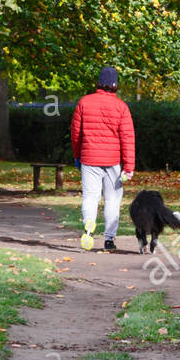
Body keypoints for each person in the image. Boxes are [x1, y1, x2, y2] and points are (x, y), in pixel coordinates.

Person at [69, 66, 135, 251]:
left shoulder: (84, 102)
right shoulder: (121, 107)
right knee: (112, 200)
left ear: (99, 82)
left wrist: (77, 155)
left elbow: (76, 133)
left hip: (89, 158)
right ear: (115, 85)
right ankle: (109, 239)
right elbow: (128, 138)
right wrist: (128, 166)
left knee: (90, 197)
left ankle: (89, 228)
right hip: (113, 161)